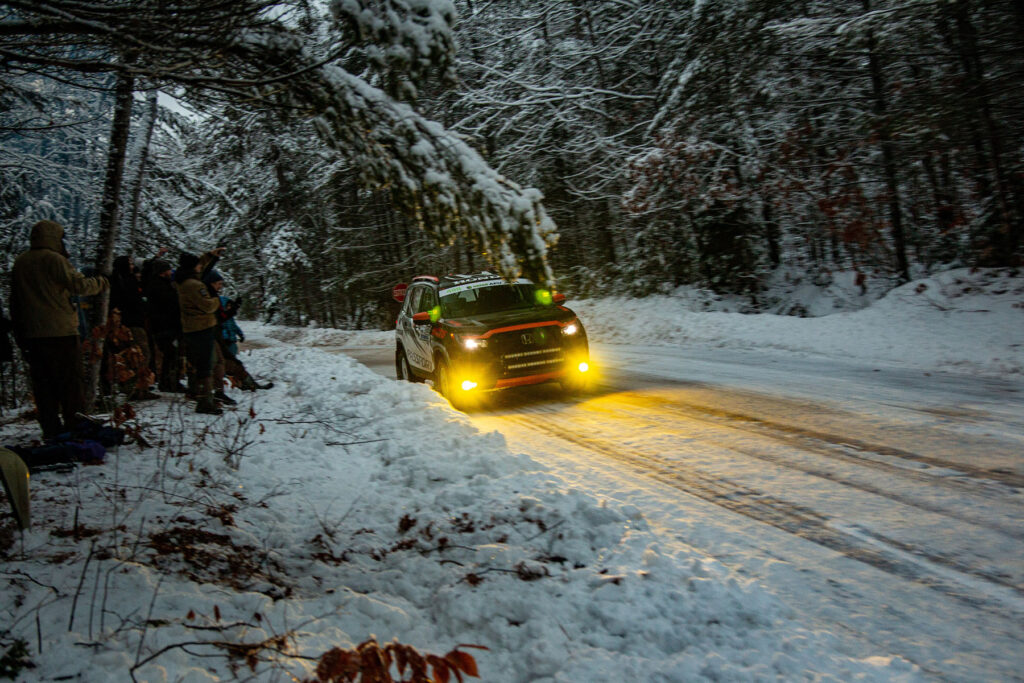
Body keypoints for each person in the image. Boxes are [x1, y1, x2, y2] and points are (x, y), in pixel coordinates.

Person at [10, 220, 108, 438]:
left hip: (33, 334)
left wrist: (20, 334)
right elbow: (79, 285)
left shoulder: (21, 263)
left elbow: (14, 302)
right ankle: (76, 425)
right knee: (70, 382)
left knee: (44, 385)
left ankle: (51, 428)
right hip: (61, 332)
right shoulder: (55, 260)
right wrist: (102, 282)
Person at [176, 248, 224, 415]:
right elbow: (207, 305)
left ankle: (202, 397)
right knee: (205, 365)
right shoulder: (194, 285)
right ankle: (205, 401)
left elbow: (200, 268)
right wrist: (216, 301)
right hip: (201, 327)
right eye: (197, 265)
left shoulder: (183, 280)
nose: (199, 267)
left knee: (199, 363)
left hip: (192, 327)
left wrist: (210, 257)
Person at [109, 255, 156, 400]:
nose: (132, 266)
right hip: (133, 323)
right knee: (140, 355)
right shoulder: (126, 282)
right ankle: (136, 388)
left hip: (131, 322)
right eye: (129, 263)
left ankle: (139, 387)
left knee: (137, 356)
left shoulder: (121, 281)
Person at [145, 259, 185, 393]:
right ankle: (168, 382)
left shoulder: (160, 285)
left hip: (164, 325)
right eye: (168, 270)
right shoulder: (159, 287)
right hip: (164, 326)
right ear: (163, 272)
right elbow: (169, 305)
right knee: (171, 354)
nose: (170, 272)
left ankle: (169, 381)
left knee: (171, 355)